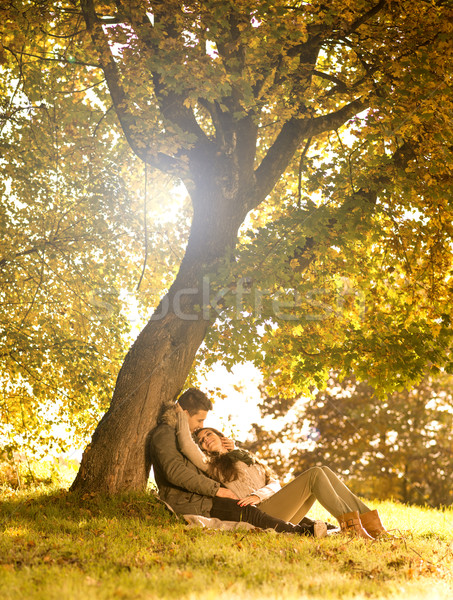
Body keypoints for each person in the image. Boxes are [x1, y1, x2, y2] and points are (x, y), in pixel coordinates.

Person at [148, 388, 328, 537]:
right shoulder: (164, 434)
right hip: (192, 501)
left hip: (205, 497)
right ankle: (301, 533)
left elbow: (203, 455)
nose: (202, 426)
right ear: (184, 414)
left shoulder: (182, 434)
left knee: (253, 511)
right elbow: (176, 472)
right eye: (200, 420)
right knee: (250, 513)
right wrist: (217, 490)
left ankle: (318, 528)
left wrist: (232, 450)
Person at [176, 416, 389, 540]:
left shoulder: (244, 456)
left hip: (272, 503)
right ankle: (354, 530)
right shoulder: (210, 466)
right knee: (315, 473)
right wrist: (180, 415)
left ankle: (374, 527)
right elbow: (187, 445)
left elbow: (274, 482)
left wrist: (259, 493)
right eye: (202, 440)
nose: (205, 441)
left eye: (209, 434)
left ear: (221, 436)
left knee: (323, 470)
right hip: (263, 514)